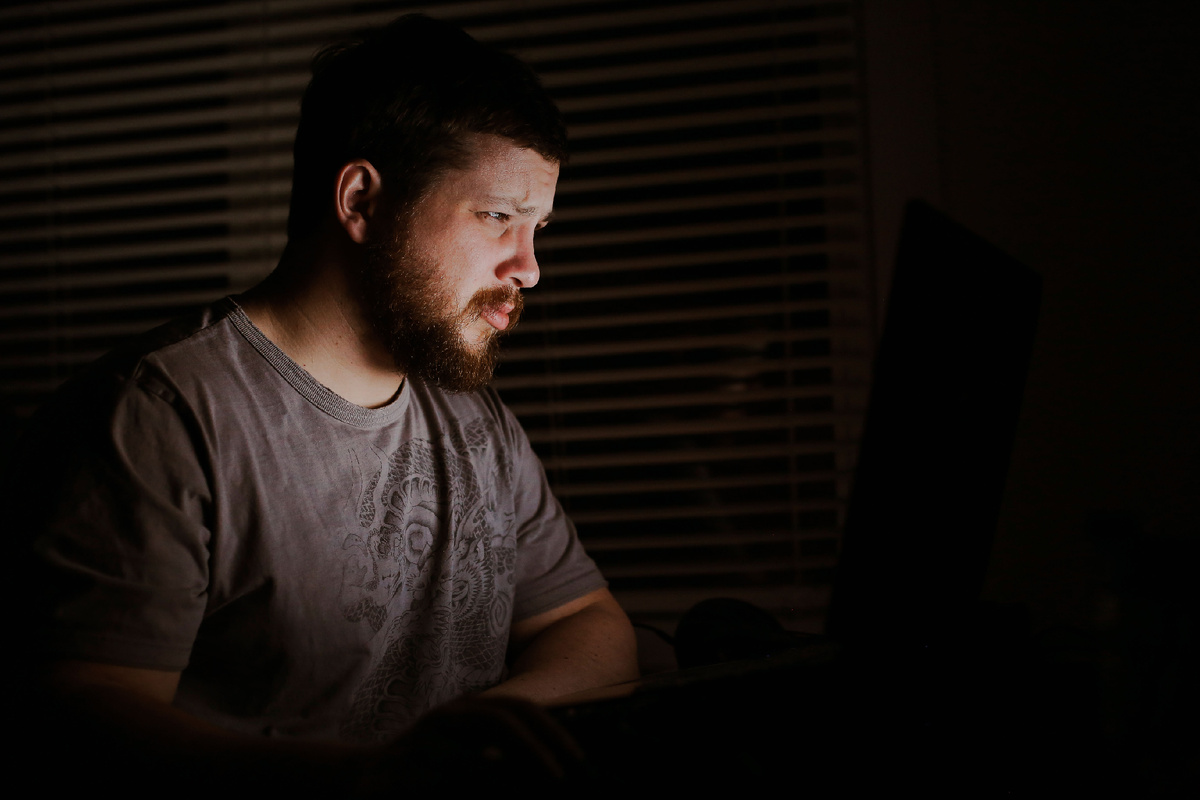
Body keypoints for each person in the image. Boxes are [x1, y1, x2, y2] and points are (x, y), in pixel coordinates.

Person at [11, 14, 637, 792]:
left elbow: (590, 625)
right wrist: (375, 779)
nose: (529, 267)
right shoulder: (160, 415)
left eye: (538, 227)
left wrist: (484, 728)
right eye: (498, 217)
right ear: (361, 199)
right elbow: (81, 718)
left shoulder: (476, 422)